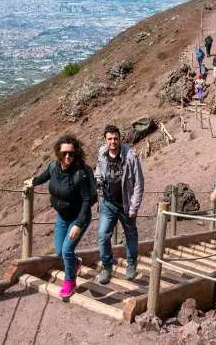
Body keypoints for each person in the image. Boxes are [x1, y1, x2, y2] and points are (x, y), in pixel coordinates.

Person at [27, 135, 93, 298]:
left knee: (67, 250)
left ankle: (70, 281)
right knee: (59, 251)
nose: (67, 157)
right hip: (62, 217)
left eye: (71, 153)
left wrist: (78, 224)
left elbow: (87, 199)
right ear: (58, 153)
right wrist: (32, 182)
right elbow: (44, 176)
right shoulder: (54, 167)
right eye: (64, 153)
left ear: (76, 153)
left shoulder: (80, 173)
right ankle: (76, 263)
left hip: (79, 218)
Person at [94, 124, 145, 284]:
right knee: (102, 236)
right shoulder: (102, 153)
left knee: (130, 235)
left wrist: (134, 206)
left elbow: (139, 182)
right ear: (105, 140)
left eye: (115, 138)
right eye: (109, 139)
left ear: (119, 139)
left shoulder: (130, 156)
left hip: (126, 204)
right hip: (107, 203)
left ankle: (131, 265)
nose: (113, 142)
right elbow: (98, 170)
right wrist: (98, 180)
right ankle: (107, 267)